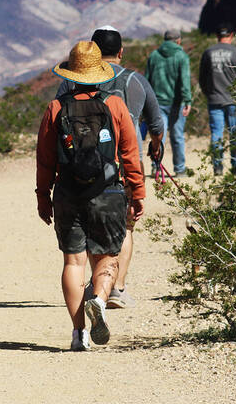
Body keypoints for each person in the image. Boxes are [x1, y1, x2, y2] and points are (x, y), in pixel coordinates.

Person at [37, 41, 145, 351]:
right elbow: (130, 154)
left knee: (74, 262)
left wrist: (43, 196)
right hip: (108, 192)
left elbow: (45, 159)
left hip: (68, 192)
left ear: (71, 74)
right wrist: (137, 192)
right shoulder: (115, 105)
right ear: (100, 73)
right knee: (107, 257)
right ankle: (98, 299)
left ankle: (78, 334)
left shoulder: (56, 108)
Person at [56, 26, 163, 310]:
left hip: (79, 167)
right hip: (124, 165)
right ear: (121, 52)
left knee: (89, 226)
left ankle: (96, 287)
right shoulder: (135, 81)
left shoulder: (70, 82)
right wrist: (156, 147)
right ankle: (116, 288)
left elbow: (56, 122)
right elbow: (156, 123)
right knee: (124, 226)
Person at [199, 24, 236, 175]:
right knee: (235, 133)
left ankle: (217, 166)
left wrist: (208, 94)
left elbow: (202, 78)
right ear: (232, 35)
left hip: (214, 100)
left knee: (217, 134)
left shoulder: (208, 52)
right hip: (234, 101)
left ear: (217, 36)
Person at [145, 29, 193, 176]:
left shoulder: (154, 55)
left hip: (157, 103)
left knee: (159, 136)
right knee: (177, 136)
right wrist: (187, 99)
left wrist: (146, 102)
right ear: (178, 41)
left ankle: (156, 166)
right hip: (177, 103)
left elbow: (146, 80)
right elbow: (185, 80)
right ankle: (180, 169)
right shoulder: (182, 56)